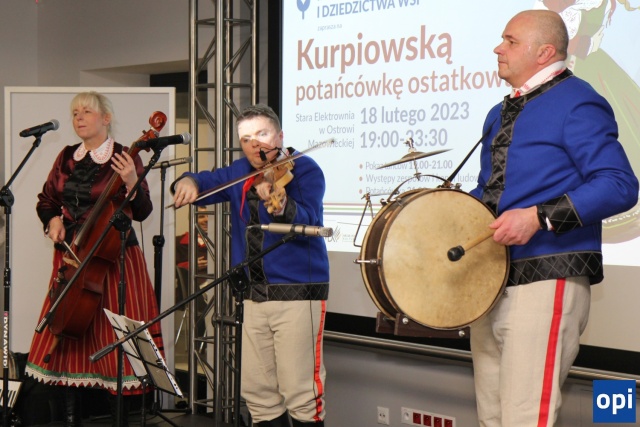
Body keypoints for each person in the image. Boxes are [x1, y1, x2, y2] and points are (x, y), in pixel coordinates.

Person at [468, 9, 638, 427]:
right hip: (490, 281)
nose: (498, 48)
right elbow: (492, 193)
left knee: (526, 418)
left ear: (544, 52)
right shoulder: (498, 112)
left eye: (510, 41)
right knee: (492, 418)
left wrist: (540, 218)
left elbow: (620, 184)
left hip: (548, 275)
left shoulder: (578, 100)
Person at [171, 104, 329, 427]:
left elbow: (309, 218)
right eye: (246, 139)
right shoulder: (240, 170)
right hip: (252, 294)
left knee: (301, 391)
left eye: (262, 135)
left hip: (297, 292)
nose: (255, 145)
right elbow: (205, 180)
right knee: (258, 392)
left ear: (280, 136)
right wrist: (188, 181)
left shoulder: (305, 169)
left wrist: (281, 204)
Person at [24, 91, 164, 426]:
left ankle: (120, 419)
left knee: (114, 338)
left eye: (87, 111)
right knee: (68, 334)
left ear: (106, 118)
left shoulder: (124, 156)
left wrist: (131, 180)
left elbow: (142, 210)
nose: (79, 118)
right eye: (75, 113)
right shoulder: (66, 157)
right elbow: (47, 199)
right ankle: (71, 419)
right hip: (73, 257)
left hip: (113, 257)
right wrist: (53, 220)